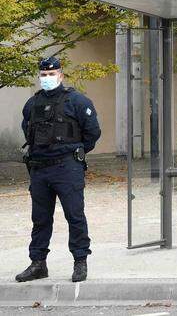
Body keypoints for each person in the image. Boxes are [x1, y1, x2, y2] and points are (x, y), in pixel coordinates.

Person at [16, 57, 101, 283]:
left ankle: (80, 261)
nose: (47, 78)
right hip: (40, 168)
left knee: (74, 215)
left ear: (61, 75)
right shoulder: (31, 104)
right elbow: (28, 131)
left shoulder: (77, 101)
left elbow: (92, 133)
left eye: (51, 74)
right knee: (40, 219)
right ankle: (38, 263)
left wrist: (74, 151)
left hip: (67, 167)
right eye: (43, 75)